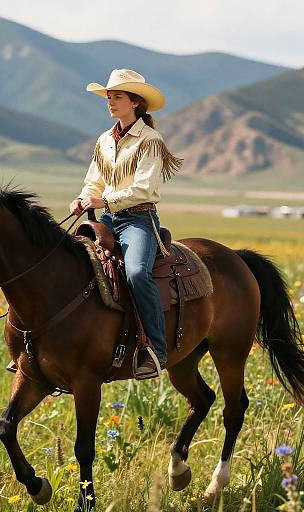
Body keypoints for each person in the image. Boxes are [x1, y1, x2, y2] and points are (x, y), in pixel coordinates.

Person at [69, 68, 183, 379]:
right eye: (108, 97)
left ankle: (156, 350)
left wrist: (103, 201)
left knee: (135, 272)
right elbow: (94, 181)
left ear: (135, 102)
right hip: (106, 218)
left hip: (138, 219)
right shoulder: (104, 139)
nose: (110, 102)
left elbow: (143, 189)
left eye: (117, 97)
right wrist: (83, 199)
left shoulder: (150, 140)